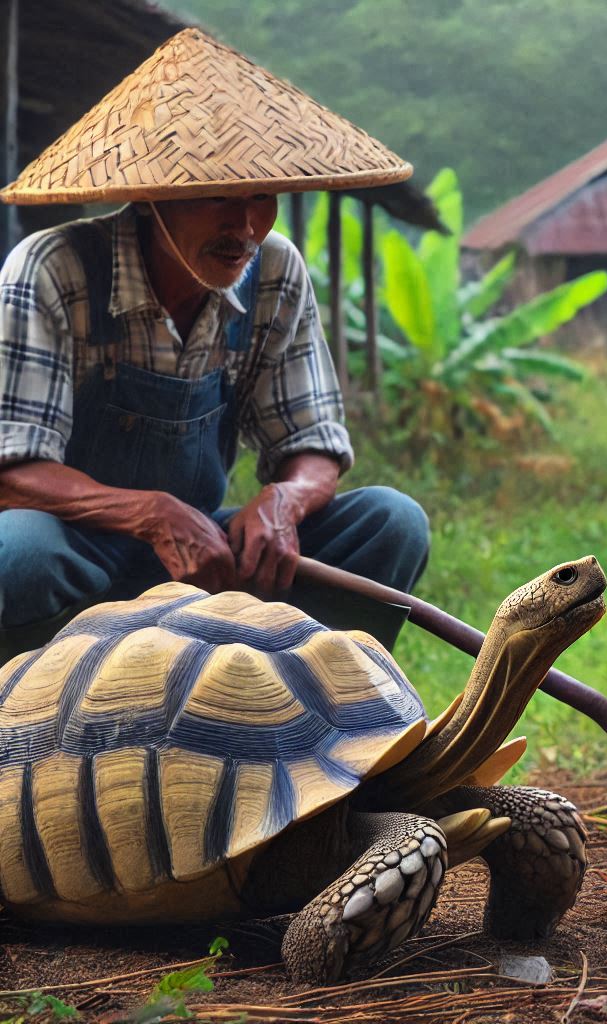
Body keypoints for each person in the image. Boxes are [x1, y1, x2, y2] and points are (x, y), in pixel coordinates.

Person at [0, 28, 429, 657]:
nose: (245, 227)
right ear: (151, 198)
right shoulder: (53, 269)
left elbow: (314, 446)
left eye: (261, 197)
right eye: (214, 198)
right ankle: (35, 721)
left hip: (208, 561)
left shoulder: (275, 271)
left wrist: (287, 498)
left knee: (391, 523)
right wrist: (152, 513)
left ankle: (318, 714)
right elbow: (12, 475)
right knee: (18, 553)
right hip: (78, 554)